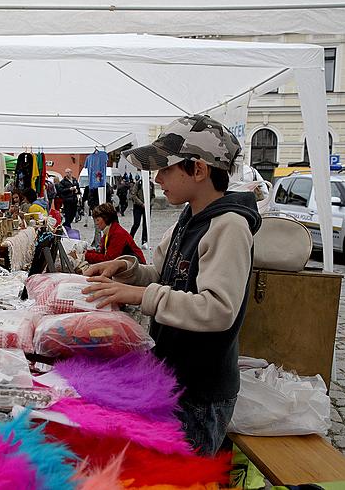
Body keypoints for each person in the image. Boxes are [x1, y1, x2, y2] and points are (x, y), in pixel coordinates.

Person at [82, 115, 261, 455]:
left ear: (198, 170)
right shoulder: (190, 216)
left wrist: (141, 294)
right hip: (173, 377)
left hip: (201, 392)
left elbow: (218, 310)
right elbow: (161, 275)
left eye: (166, 168)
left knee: (183, 474)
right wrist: (126, 268)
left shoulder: (229, 227)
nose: (158, 177)